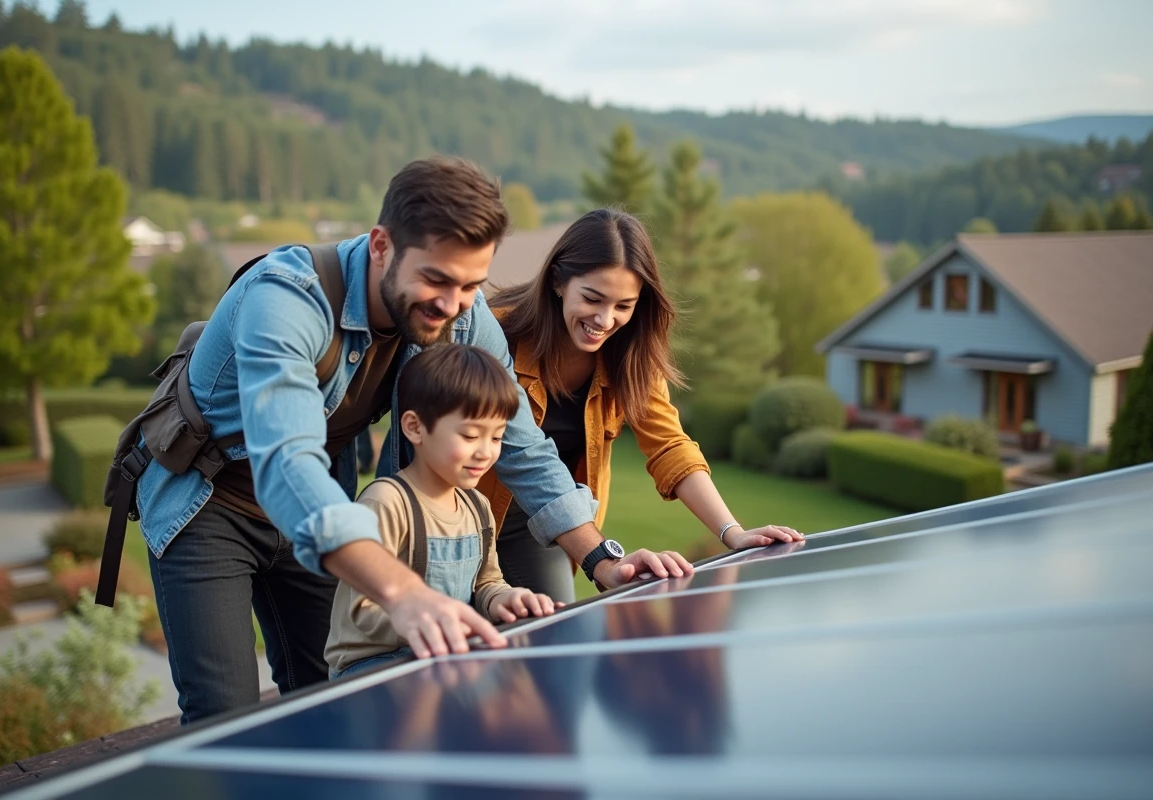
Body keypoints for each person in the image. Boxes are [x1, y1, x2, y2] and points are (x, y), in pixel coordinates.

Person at [136, 158, 691, 724]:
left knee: (330, 707)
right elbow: (287, 463)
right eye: (437, 280)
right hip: (211, 506)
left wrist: (600, 560)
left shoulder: (464, 314)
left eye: (471, 285)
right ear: (382, 245)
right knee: (224, 721)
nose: (453, 304)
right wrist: (403, 592)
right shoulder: (285, 299)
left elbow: (522, 442)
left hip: (323, 513)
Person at [479, 208, 804, 603]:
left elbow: (670, 446)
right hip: (463, 512)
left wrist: (732, 533)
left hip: (549, 523)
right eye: (593, 298)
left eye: (623, 305)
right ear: (558, 282)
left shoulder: (632, 359)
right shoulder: (495, 334)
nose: (604, 319)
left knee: (552, 623)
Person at [327, 344, 562, 679]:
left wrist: (505, 599)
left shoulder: (478, 506)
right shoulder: (386, 502)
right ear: (415, 427)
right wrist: (429, 622)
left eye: (496, 438)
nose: (485, 452)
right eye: (470, 435)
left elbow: (486, 582)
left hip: (443, 657)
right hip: (373, 668)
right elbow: (362, 610)